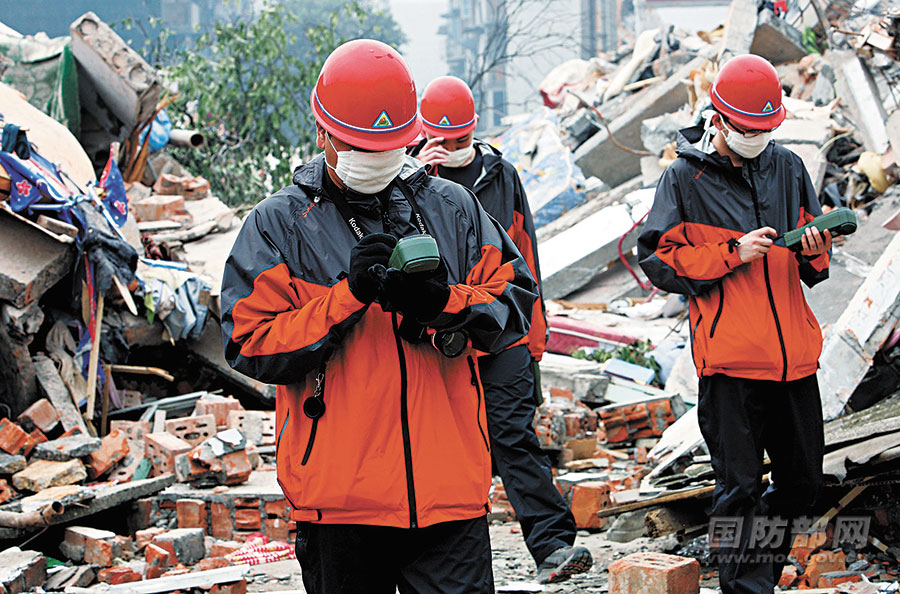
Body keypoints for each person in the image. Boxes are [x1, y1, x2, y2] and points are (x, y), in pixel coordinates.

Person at [220, 40, 538, 594]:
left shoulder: (453, 208)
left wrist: (443, 303)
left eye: (388, 148)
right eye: (359, 146)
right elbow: (251, 344)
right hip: (340, 505)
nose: (375, 159)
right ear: (322, 133)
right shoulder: (280, 225)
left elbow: (514, 303)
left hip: (449, 497)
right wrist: (345, 298)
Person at [637, 54, 831, 594]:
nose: (756, 138)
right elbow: (658, 259)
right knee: (738, 489)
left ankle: (756, 575)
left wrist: (816, 248)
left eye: (765, 129)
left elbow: (815, 262)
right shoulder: (684, 178)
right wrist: (732, 252)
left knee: (803, 484)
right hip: (729, 364)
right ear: (718, 119)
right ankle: (747, 588)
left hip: (794, 360)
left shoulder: (788, 167)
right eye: (747, 129)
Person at [410, 75, 592, 585]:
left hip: (504, 328)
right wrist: (416, 177)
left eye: (460, 140)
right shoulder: (405, 179)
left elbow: (525, 255)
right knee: (448, 446)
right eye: (441, 141)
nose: (450, 149)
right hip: (442, 334)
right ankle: (447, 559)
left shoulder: (501, 175)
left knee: (513, 434)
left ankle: (553, 545)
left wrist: (535, 336)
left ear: (474, 131)